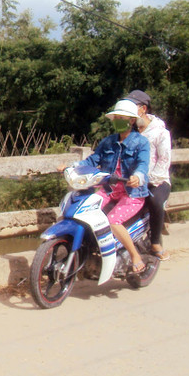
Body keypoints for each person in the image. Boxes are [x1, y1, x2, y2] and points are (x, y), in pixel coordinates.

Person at [62, 99, 151, 273]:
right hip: (109, 190)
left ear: (131, 120)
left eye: (121, 117)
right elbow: (92, 160)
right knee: (83, 211)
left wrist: (137, 176)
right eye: (115, 117)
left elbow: (143, 164)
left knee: (113, 221)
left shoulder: (141, 143)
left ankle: (135, 256)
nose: (117, 121)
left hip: (132, 193)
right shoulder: (108, 142)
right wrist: (71, 166)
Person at [124, 89, 171, 261]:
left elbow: (164, 160)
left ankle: (155, 243)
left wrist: (148, 180)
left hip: (156, 182)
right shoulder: (128, 131)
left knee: (154, 201)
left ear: (143, 109)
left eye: (132, 106)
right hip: (131, 180)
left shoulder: (160, 132)